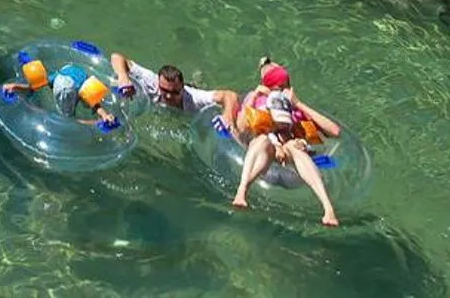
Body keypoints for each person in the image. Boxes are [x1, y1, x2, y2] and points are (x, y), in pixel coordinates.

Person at [230, 61, 344, 227]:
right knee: (262, 139)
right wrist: (255, 96)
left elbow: (335, 131)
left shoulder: (295, 110)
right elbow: (239, 128)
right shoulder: (257, 101)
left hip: (293, 170)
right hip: (263, 164)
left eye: (284, 87)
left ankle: (328, 208)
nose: (281, 91)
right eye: (277, 88)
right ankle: (242, 192)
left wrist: (298, 104)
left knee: (293, 147)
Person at [108, 51, 240, 125]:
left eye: (174, 92)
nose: (169, 96)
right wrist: (123, 76)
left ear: (181, 88)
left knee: (196, 86)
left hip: (190, 98)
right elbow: (116, 57)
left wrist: (227, 115)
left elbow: (229, 95)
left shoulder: (194, 98)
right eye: (164, 90)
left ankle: (195, 80)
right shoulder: (151, 82)